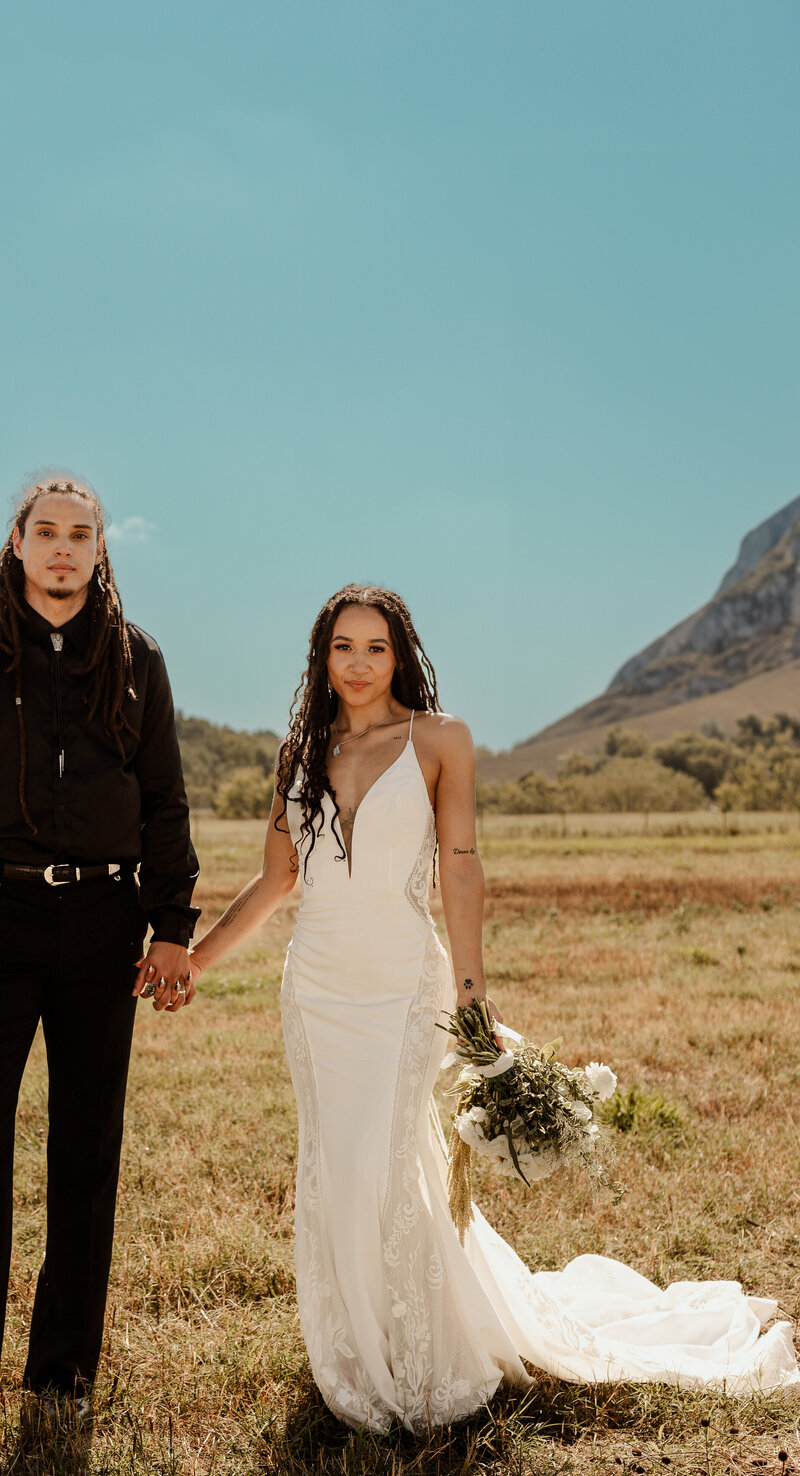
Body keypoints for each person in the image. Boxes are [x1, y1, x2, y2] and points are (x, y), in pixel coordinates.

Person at [188, 585, 799, 1429]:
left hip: (403, 985)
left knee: (384, 1159)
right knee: (333, 1164)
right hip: (317, 990)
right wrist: (194, 958)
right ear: (320, 659)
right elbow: (276, 881)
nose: (358, 665)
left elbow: (461, 864)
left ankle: (424, 1349)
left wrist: (471, 990)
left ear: (400, 655)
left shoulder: (441, 741)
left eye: (375, 648)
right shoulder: (301, 753)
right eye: (342, 648)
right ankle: (359, 1347)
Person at [0, 474, 198, 1451]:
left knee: (87, 1153)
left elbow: (165, 803)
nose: (64, 549)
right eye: (47, 533)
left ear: (101, 550)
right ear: (17, 543)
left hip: (105, 922)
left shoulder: (137, 662)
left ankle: (62, 1374)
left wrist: (171, 925)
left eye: (82, 535)